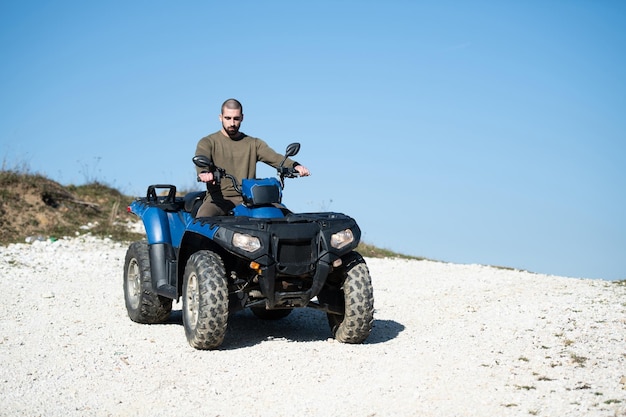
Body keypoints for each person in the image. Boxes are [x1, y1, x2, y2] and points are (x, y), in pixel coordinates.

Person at [194, 98, 310, 217]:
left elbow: (275, 158)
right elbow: (202, 157)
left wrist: (295, 166)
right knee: (202, 221)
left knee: (288, 217)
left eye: (236, 118)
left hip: (250, 199)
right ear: (220, 117)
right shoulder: (208, 142)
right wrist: (204, 173)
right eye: (228, 118)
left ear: (242, 118)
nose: (232, 123)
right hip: (220, 199)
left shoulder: (253, 143)